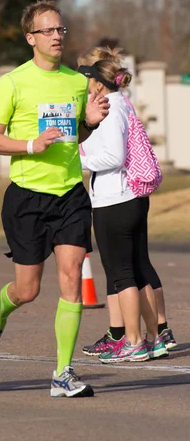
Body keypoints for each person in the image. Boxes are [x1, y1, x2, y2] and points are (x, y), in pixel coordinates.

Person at [0, 0, 110, 397]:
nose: (56, 37)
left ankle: (63, 372)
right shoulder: (13, 83)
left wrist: (89, 122)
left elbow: (76, 135)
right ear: (30, 37)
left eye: (61, 30)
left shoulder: (75, 82)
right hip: (26, 198)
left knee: (72, 279)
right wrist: (30, 144)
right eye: (48, 31)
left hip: (69, 194)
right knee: (28, 290)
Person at [77, 47, 176, 357]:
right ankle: (153, 337)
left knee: (121, 274)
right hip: (128, 197)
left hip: (114, 199)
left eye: (87, 78)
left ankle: (133, 343)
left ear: (97, 82)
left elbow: (114, 156)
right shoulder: (122, 103)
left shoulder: (109, 108)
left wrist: (80, 158)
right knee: (133, 268)